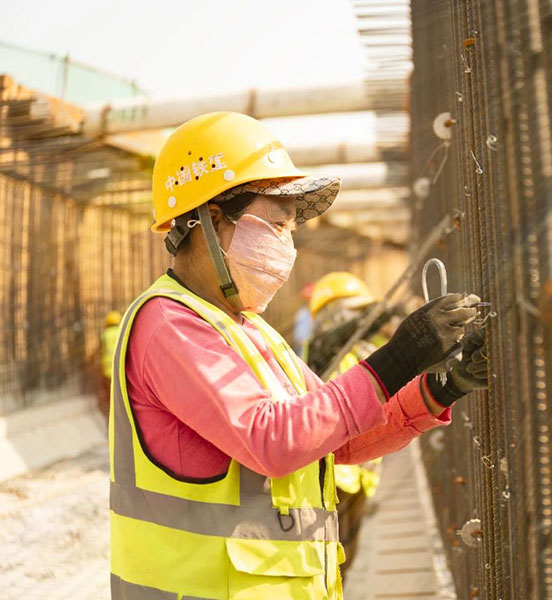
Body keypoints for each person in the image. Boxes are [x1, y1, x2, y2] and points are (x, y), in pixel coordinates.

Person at [108, 111, 489, 599]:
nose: (286, 245)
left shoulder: (248, 329)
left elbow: (338, 437)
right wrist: (397, 357)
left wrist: (442, 386)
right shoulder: (168, 325)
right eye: (275, 225)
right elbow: (272, 439)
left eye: (291, 230)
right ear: (208, 220)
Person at [307, 271, 388, 570]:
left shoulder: (366, 351)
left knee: (345, 563)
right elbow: (331, 343)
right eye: (355, 311)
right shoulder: (320, 350)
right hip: (331, 475)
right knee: (324, 563)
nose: (363, 319)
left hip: (361, 476)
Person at [98, 310, 122, 418]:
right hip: (120, 370)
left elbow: (101, 351)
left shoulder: (104, 335)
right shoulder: (122, 331)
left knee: (110, 395)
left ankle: (110, 414)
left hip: (107, 371)